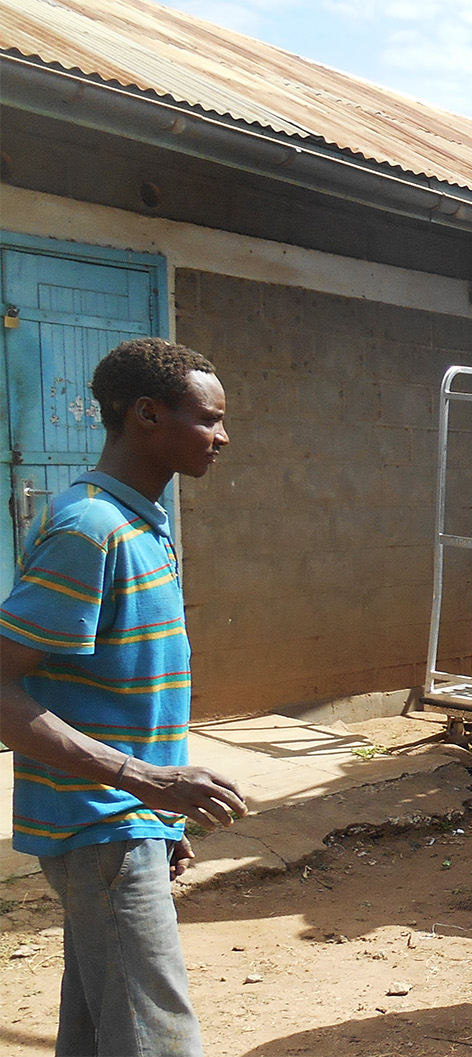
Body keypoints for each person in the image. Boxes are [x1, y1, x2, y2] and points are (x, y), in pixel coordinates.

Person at [0, 337, 243, 1057]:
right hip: (99, 823)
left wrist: (160, 818)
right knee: (155, 1039)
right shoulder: (90, 529)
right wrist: (146, 782)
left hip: (122, 824)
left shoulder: (144, 523)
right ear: (146, 414)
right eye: (208, 418)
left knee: (99, 1030)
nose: (223, 436)